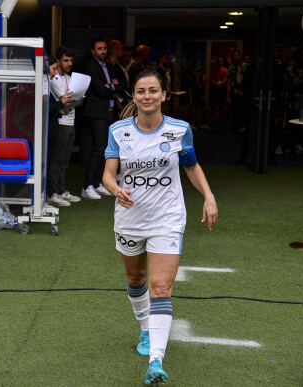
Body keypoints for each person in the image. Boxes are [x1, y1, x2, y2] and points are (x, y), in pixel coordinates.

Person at [102, 70, 218, 385]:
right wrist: (116, 190)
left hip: (167, 218)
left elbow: (191, 166)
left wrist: (208, 196)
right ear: (134, 96)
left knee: (161, 287)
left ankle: (156, 358)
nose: (148, 96)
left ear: (164, 95)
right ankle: (144, 327)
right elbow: (108, 174)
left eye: (154, 91)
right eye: (141, 91)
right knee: (135, 278)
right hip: (130, 219)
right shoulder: (118, 130)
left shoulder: (180, 130)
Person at [81, 38, 124, 199]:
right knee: (98, 149)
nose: (103, 51)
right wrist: (111, 87)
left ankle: (99, 183)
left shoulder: (109, 66)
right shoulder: (90, 66)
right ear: (93, 51)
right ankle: (87, 186)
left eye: (105, 48)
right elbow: (100, 90)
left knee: (106, 150)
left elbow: (121, 87)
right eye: (99, 49)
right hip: (97, 113)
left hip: (109, 112)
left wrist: (111, 86)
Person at [48, 46, 81, 206]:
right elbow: (65, 102)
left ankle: (61, 191)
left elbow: (73, 102)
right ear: (58, 61)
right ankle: (53, 193)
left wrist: (71, 102)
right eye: (65, 60)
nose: (69, 63)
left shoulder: (69, 78)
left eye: (71, 60)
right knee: (56, 160)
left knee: (64, 161)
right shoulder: (54, 78)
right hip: (60, 124)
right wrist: (69, 102)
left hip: (71, 122)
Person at [208, 57, 228, 128]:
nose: (220, 62)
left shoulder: (225, 70)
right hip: (214, 89)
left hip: (222, 90)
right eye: (218, 61)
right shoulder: (214, 70)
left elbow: (226, 79)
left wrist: (220, 83)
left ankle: (222, 122)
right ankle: (211, 122)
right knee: (212, 107)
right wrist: (216, 83)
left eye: (221, 61)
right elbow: (211, 79)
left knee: (221, 107)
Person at [156, 52, 175, 116]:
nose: (169, 61)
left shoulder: (170, 71)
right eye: (167, 59)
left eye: (170, 59)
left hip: (169, 99)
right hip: (160, 100)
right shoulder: (158, 71)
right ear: (162, 59)